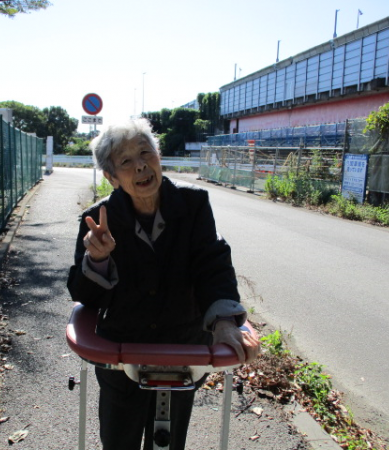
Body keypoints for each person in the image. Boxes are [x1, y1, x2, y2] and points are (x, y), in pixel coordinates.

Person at [67, 118, 260, 450]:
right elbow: (86, 297)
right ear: (112, 177)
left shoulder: (194, 203)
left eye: (146, 152)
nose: (141, 165)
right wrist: (97, 259)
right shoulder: (97, 219)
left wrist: (225, 322)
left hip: (183, 350)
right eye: (126, 161)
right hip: (121, 352)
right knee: (118, 440)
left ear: (158, 156)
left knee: (169, 442)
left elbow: (211, 264)